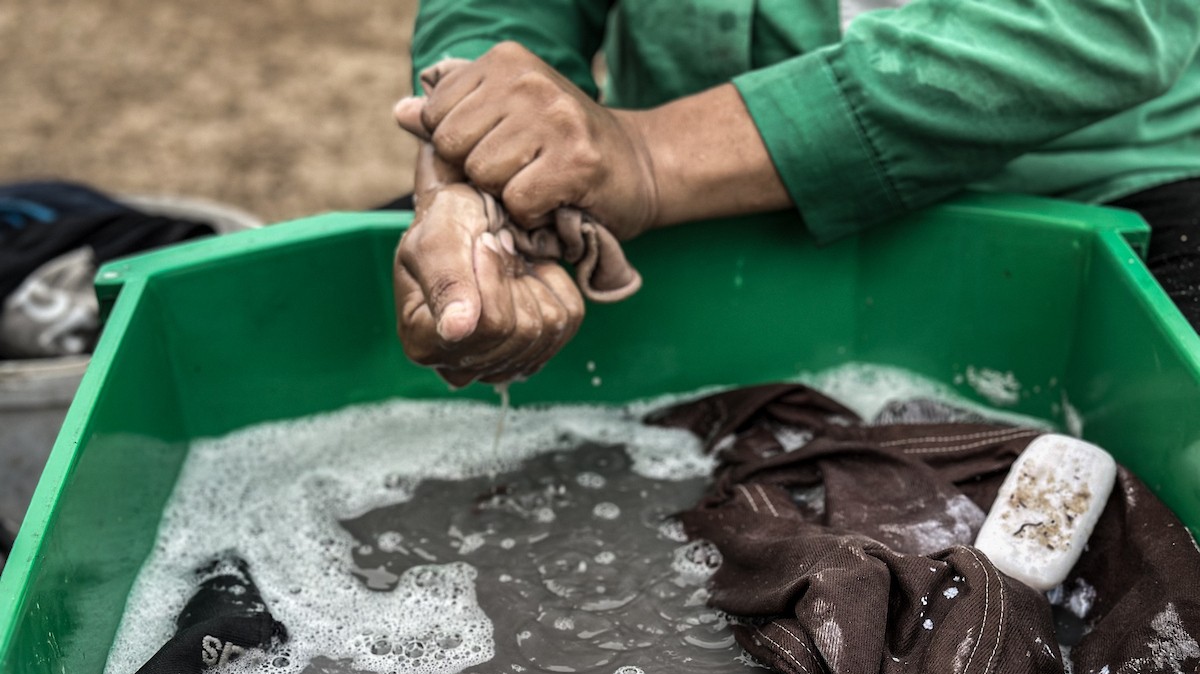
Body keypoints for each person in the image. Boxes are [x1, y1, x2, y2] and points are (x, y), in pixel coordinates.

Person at [392, 1, 1200, 386]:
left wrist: (652, 154)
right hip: (643, 201)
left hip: (1088, 181)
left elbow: (1110, 18)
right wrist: (475, 177)